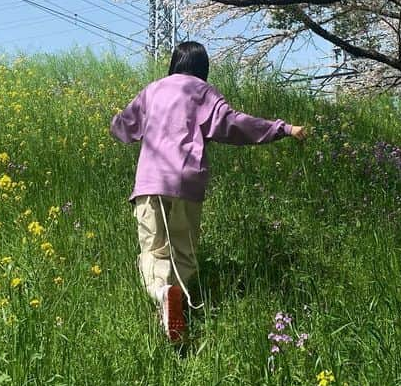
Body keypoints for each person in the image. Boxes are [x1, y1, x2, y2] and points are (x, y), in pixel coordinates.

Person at [110, 41, 307, 343]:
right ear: (203, 69)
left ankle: (161, 294)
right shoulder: (203, 92)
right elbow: (236, 125)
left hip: (150, 182)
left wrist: (119, 126)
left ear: (173, 64)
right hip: (187, 183)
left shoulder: (152, 90)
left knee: (153, 251)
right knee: (183, 254)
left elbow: (122, 127)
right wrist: (283, 128)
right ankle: (173, 307)